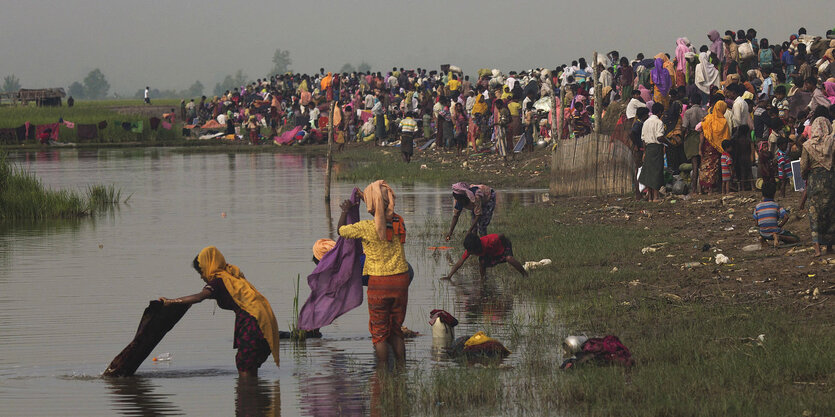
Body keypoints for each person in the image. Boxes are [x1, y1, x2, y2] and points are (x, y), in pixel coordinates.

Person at [158, 246, 280, 377]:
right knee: (250, 365)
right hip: (266, 323)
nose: (202, 277)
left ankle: (248, 394)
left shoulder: (219, 281)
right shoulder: (233, 276)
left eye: (201, 272)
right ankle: (253, 393)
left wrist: (171, 301)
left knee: (245, 366)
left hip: (252, 324)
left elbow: (199, 297)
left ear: (208, 266)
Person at [337, 180, 409, 368]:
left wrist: (345, 210)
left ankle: (382, 372)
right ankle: (402, 370)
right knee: (396, 330)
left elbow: (341, 230)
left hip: (379, 283)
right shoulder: (398, 222)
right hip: (401, 281)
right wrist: (368, 198)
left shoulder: (366, 228)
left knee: (379, 333)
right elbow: (382, 211)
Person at [800, 114, 835, 257]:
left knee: (815, 214)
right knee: (830, 214)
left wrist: (804, 176)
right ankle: (830, 246)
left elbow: (803, 166)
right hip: (831, 182)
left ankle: (817, 249)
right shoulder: (832, 144)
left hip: (814, 183)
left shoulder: (808, 146)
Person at [441, 233, 527, 280]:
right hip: (491, 253)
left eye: (472, 251)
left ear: (476, 248)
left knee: (509, 258)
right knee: (482, 263)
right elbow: (460, 263)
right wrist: (449, 276)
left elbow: (502, 236)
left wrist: (504, 249)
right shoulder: (470, 250)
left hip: (503, 247)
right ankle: (483, 280)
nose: (470, 253)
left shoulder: (491, 240)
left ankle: (524, 274)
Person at [753, 182, 799, 248]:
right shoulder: (776, 205)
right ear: (774, 193)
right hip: (775, 231)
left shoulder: (757, 206)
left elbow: (756, 223)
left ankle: (762, 239)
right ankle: (779, 237)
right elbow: (786, 217)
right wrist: (779, 226)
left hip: (763, 232)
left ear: (762, 193)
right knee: (795, 238)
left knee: (762, 232)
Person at [699, 100, 731, 194]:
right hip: (717, 148)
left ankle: (702, 189)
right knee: (714, 169)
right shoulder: (723, 121)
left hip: (707, 147)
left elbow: (702, 132)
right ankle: (711, 189)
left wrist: (700, 148)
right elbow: (725, 136)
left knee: (705, 167)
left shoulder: (708, 118)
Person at [638, 103, 668, 202]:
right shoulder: (659, 122)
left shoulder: (646, 122)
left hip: (648, 148)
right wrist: (667, 142)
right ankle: (655, 197)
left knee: (649, 172)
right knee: (656, 172)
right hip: (656, 148)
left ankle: (650, 197)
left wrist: (644, 152)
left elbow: (643, 139)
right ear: (659, 112)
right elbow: (659, 137)